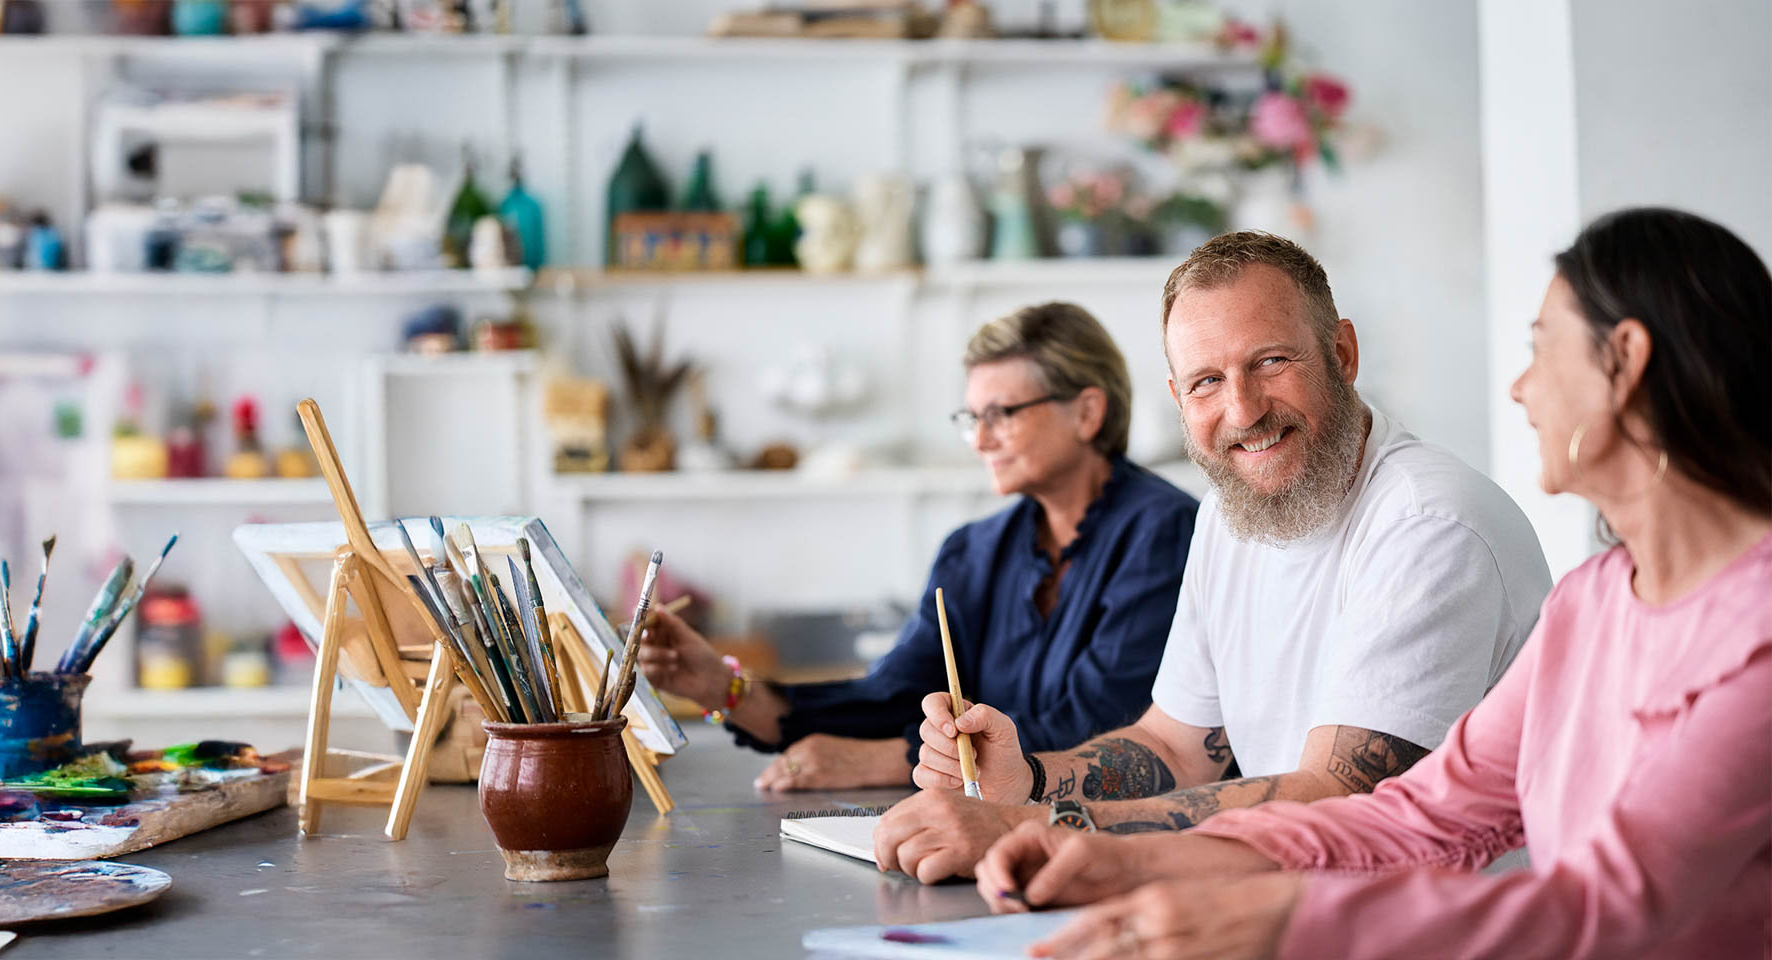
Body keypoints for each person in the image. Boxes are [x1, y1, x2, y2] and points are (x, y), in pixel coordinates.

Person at [973, 207, 1772, 960]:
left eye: (1542, 348)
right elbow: (1422, 814)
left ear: (1625, 359)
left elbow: (1612, 906)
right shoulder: (1593, 600)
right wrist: (1129, 860)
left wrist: (1285, 917)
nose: (1520, 387)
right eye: (1207, 381)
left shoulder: (1757, 636)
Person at [877, 231, 1554, 881]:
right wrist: (1027, 779)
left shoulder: (1429, 524)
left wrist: (1037, 826)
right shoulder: (1227, 516)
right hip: (1299, 908)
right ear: (1179, 399)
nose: (1244, 409)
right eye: (1206, 381)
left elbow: (1339, 800)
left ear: (1342, 355)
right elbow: (1176, 746)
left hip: (1456, 927)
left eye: (1271, 362)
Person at [636, 302, 1198, 791]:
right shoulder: (972, 550)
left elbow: (1100, 722)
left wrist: (885, 760)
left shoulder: (1166, 532)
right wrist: (724, 688)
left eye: (1002, 414)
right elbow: (894, 695)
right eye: (972, 418)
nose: (980, 440)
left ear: (1087, 412)